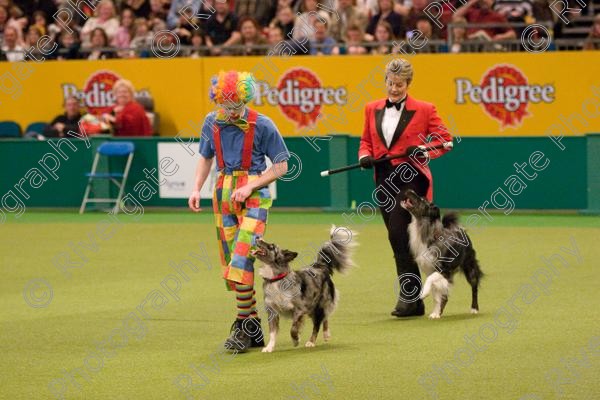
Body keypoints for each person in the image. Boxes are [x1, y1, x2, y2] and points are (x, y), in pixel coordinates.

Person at [188, 70, 290, 352]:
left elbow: (282, 165)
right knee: (232, 260)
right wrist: (196, 188)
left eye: (235, 106)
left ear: (245, 98)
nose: (230, 112)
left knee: (243, 254)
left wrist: (251, 185)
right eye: (225, 105)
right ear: (217, 100)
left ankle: (244, 323)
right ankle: (252, 324)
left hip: (254, 194)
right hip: (222, 192)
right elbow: (205, 158)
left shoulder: (263, 124)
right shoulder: (211, 122)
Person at [358, 58, 453, 317]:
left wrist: (421, 149)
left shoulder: (425, 109)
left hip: (411, 178)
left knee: (397, 232)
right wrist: (364, 157)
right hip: (384, 179)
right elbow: (366, 140)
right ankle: (414, 299)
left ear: (408, 84)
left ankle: (410, 296)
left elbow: (446, 141)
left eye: (400, 84)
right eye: (391, 83)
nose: (394, 89)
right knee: (397, 236)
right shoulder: (371, 108)